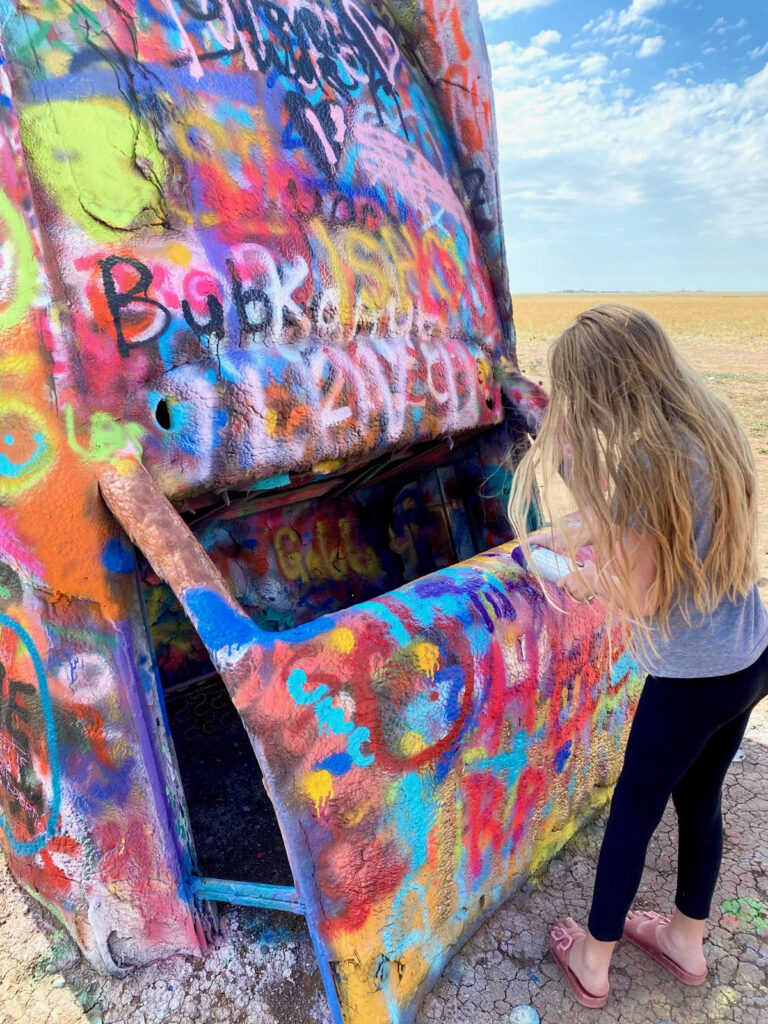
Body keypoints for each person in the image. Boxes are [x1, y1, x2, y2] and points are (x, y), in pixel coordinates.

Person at [507, 304, 768, 1008]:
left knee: (634, 810)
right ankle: (686, 939)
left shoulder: (654, 459)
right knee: (699, 797)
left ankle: (593, 960)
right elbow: (647, 517)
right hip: (750, 655)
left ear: (605, 389)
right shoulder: (709, 422)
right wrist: (574, 530)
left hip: (695, 677)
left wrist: (557, 571)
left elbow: (641, 597)